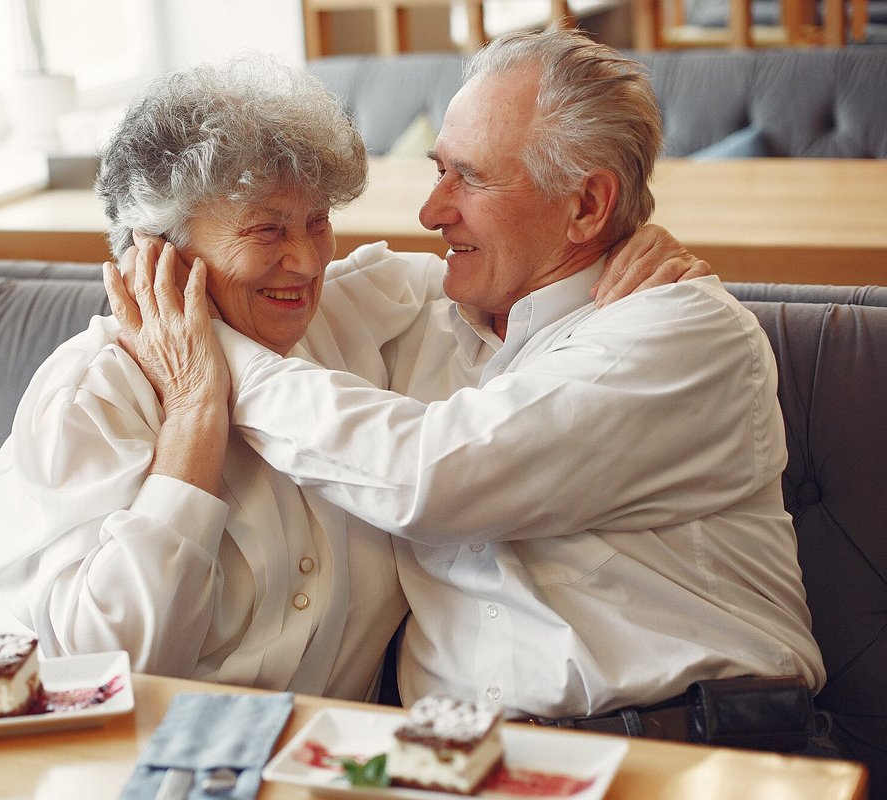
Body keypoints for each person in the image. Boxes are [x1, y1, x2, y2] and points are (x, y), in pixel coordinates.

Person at [105, 28, 826, 727]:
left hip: (687, 746)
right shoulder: (428, 308)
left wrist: (207, 365)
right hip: (454, 761)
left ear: (586, 205)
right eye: (438, 168)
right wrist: (12, 547)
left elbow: (432, 477)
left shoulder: (682, 334)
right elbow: (190, 304)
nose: (431, 211)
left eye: (471, 179)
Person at [0, 53, 705, 702]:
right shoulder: (96, 394)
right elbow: (114, 676)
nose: (307, 262)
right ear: (160, 251)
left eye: (317, 222)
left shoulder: (360, 318)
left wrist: (630, 244)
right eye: (268, 229)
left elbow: (518, 277)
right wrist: (193, 423)